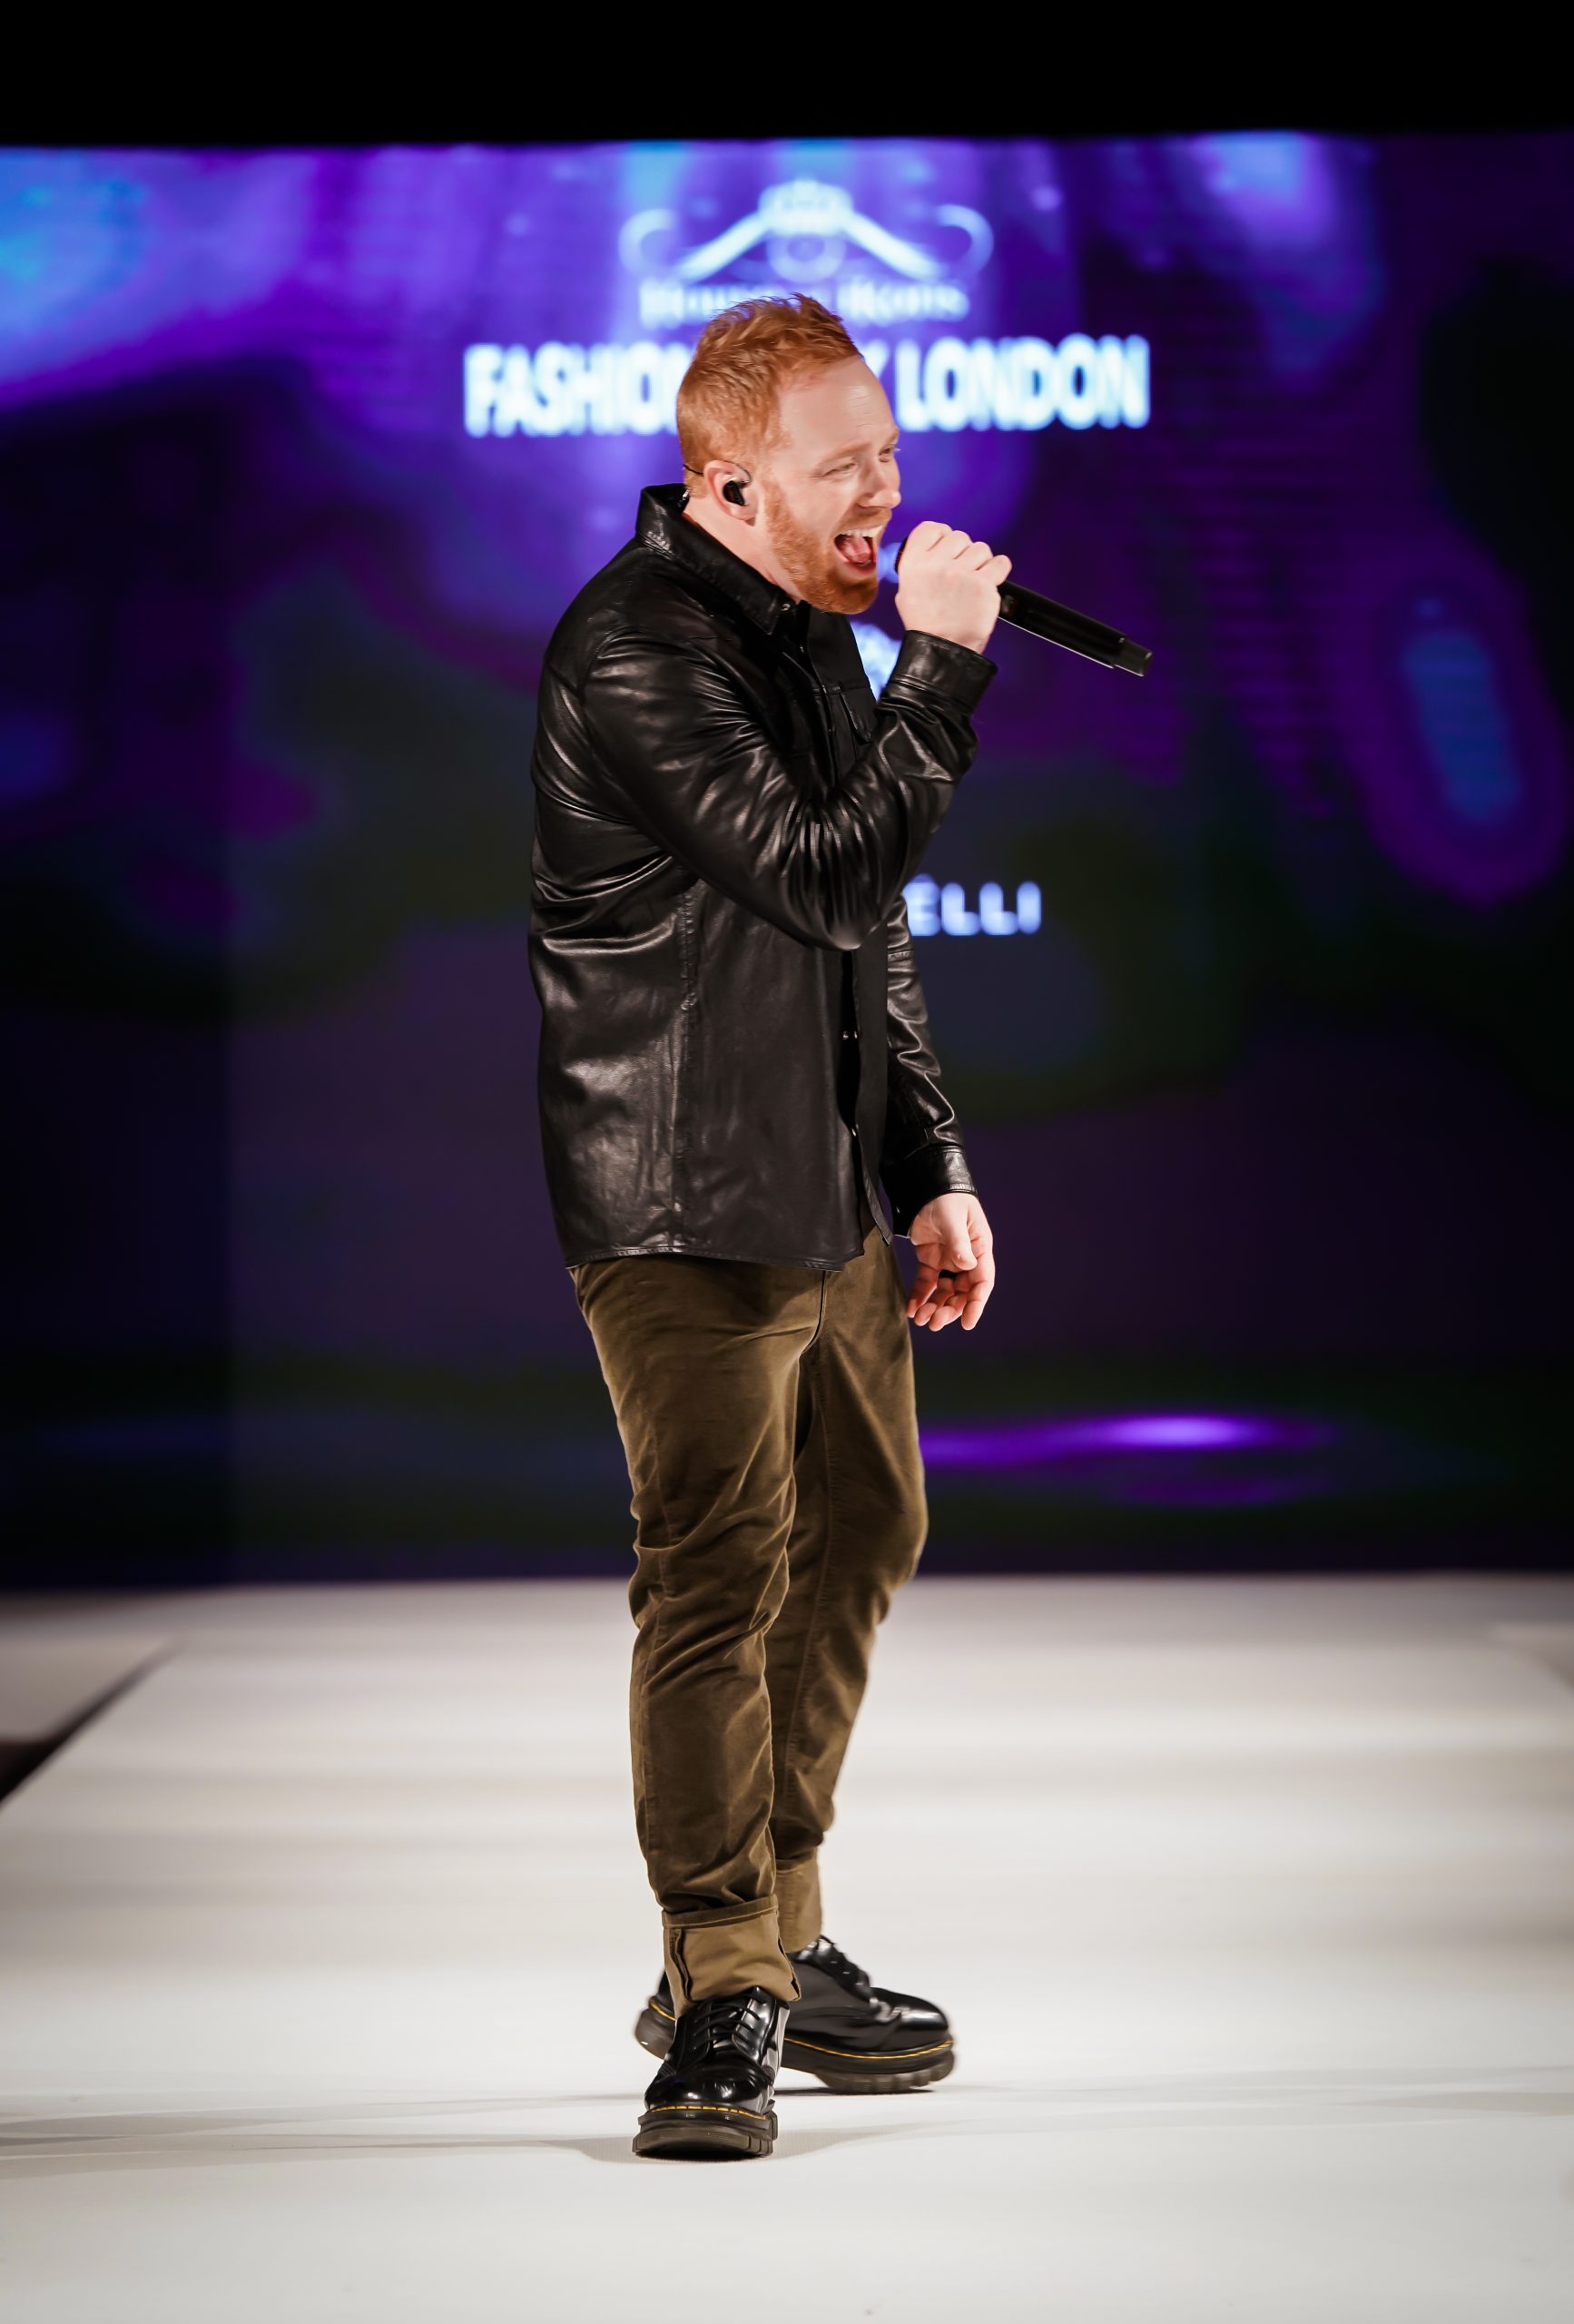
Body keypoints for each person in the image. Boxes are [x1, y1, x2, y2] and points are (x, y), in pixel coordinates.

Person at [528, 293, 1007, 2159]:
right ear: (732, 484)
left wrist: (927, 1160)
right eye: (843, 467)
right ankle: (718, 1978)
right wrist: (939, 673)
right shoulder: (635, 648)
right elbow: (822, 867)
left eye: (888, 453)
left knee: (867, 1523)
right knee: (718, 1572)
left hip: (818, 1183)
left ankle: (775, 1931)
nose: (884, 493)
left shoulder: (807, 630)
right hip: (680, 1197)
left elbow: (864, 933)